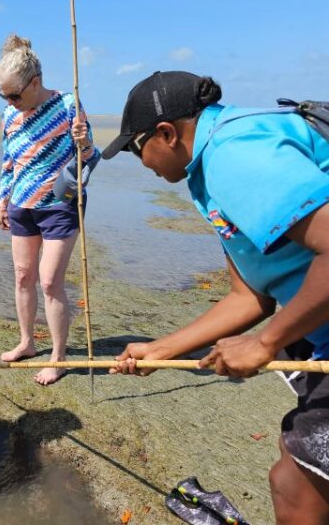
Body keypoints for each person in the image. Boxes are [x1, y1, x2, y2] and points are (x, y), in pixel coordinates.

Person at [103, 70, 329, 524]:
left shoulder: (234, 156)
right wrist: (160, 350)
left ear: (166, 134)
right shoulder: (209, 167)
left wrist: (265, 344)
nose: (139, 160)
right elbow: (249, 296)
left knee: (293, 483)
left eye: (134, 147)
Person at [0, 33, 95, 385]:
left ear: (35, 83)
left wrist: (84, 141)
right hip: (22, 205)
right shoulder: (9, 115)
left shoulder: (69, 105)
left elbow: (91, 158)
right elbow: (8, 161)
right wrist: (2, 201)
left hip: (59, 206)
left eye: (14, 94)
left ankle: (59, 356)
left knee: (51, 281)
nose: (9, 100)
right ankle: (26, 343)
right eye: (3, 94)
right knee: (24, 276)